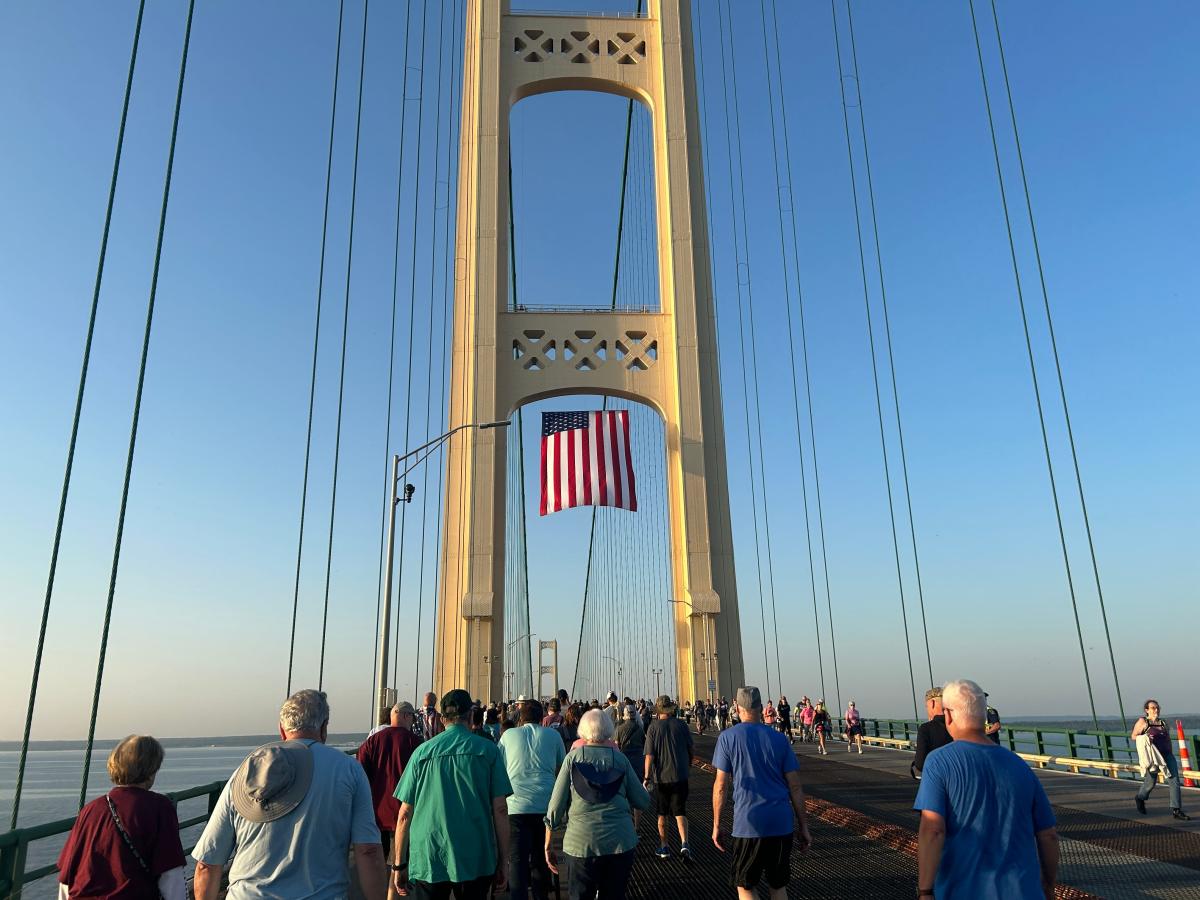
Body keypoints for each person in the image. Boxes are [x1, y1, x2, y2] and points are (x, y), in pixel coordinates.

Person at [193, 690, 386, 900]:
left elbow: (207, 864)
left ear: (282, 730)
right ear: (324, 727)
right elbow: (368, 851)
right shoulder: (349, 769)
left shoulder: (246, 771)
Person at [914, 679, 1059, 899]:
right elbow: (1048, 836)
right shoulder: (1019, 764)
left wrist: (925, 891)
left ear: (949, 715)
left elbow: (933, 830)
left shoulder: (938, 762)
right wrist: (1048, 886)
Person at [391, 688, 513, 898]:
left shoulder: (422, 752)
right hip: (476, 854)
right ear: (471, 715)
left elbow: (404, 815)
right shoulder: (488, 750)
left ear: (441, 718)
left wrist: (399, 865)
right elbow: (500, 810)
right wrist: (504, 861)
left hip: (429, 855)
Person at [712, 687, 813, 900]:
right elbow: (795, 786)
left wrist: (717, 824)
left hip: (748, 824)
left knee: (746, 886)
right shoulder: (780, 739)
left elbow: (721, 786)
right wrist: (803, 826)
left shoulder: (727, 738)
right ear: (761, 708)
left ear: (738, 709)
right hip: (781, 823)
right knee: (778, 885)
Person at [57, 735, 186, 900]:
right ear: (151, 770)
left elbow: (68, 877)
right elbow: (171, 875)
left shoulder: (90, 809)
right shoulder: (159, 807)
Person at [544, 709, 651, 899]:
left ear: (582, 731)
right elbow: (642, 802)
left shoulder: (572, 760)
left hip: (581, 844)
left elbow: (555, 808)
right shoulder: (620, 760)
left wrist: (548, 842)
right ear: (609, 730)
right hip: (620, 842)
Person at [499, 699, 566, 900]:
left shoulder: (508, 735)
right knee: (541, 858)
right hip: (546, 806)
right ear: (541, 717)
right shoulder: (553, 735)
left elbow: (500, 769)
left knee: (517, 861)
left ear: (520, 717)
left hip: (515, 806)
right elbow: (562, 769)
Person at [356, 700, 422, 858]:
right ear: (406, 716)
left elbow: (360, 774)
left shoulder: (372, 741)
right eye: (412, 717)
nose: (413, 722)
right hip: (406, 813)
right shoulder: (416, 742)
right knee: (400, 861)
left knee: (378, 859)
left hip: (375, 812)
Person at [643, 694, 696, 862]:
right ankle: (685, 843)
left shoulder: (653, 728)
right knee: (680, 811)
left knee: (662, 814)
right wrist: (689, 764)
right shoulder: (681, 725)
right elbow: (690, 749)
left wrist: (647, 777)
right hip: (680, 775)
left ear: (658, 711)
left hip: (661, 779)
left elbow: (649, 756)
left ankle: (664, 846)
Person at [1132, 699, 1190, 820]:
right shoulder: (1143, 722)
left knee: (1174, 780)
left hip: (1167, 755)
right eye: (1153, 708)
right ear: (1147, 710)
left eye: (1157, 708)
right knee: (1150, 782)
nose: (1156, 710)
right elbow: (1134, 736)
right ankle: (1140, 797)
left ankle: (1176, 810)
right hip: (1154, 757)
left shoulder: (1163, 723)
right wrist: (1144, 737)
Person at [913, 686, 952, 779]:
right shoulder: (960, 726)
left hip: (937, 780)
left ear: (932, 703)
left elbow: (920, 764)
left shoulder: (926, 729)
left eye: (926, 706)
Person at [616, 704, 646, 783]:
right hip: (638, 760)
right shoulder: (640, 729)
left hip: (625, 758)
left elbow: (616, 746)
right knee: (638, 781)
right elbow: (644, 744)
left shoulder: (619, 729)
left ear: (625, 715)